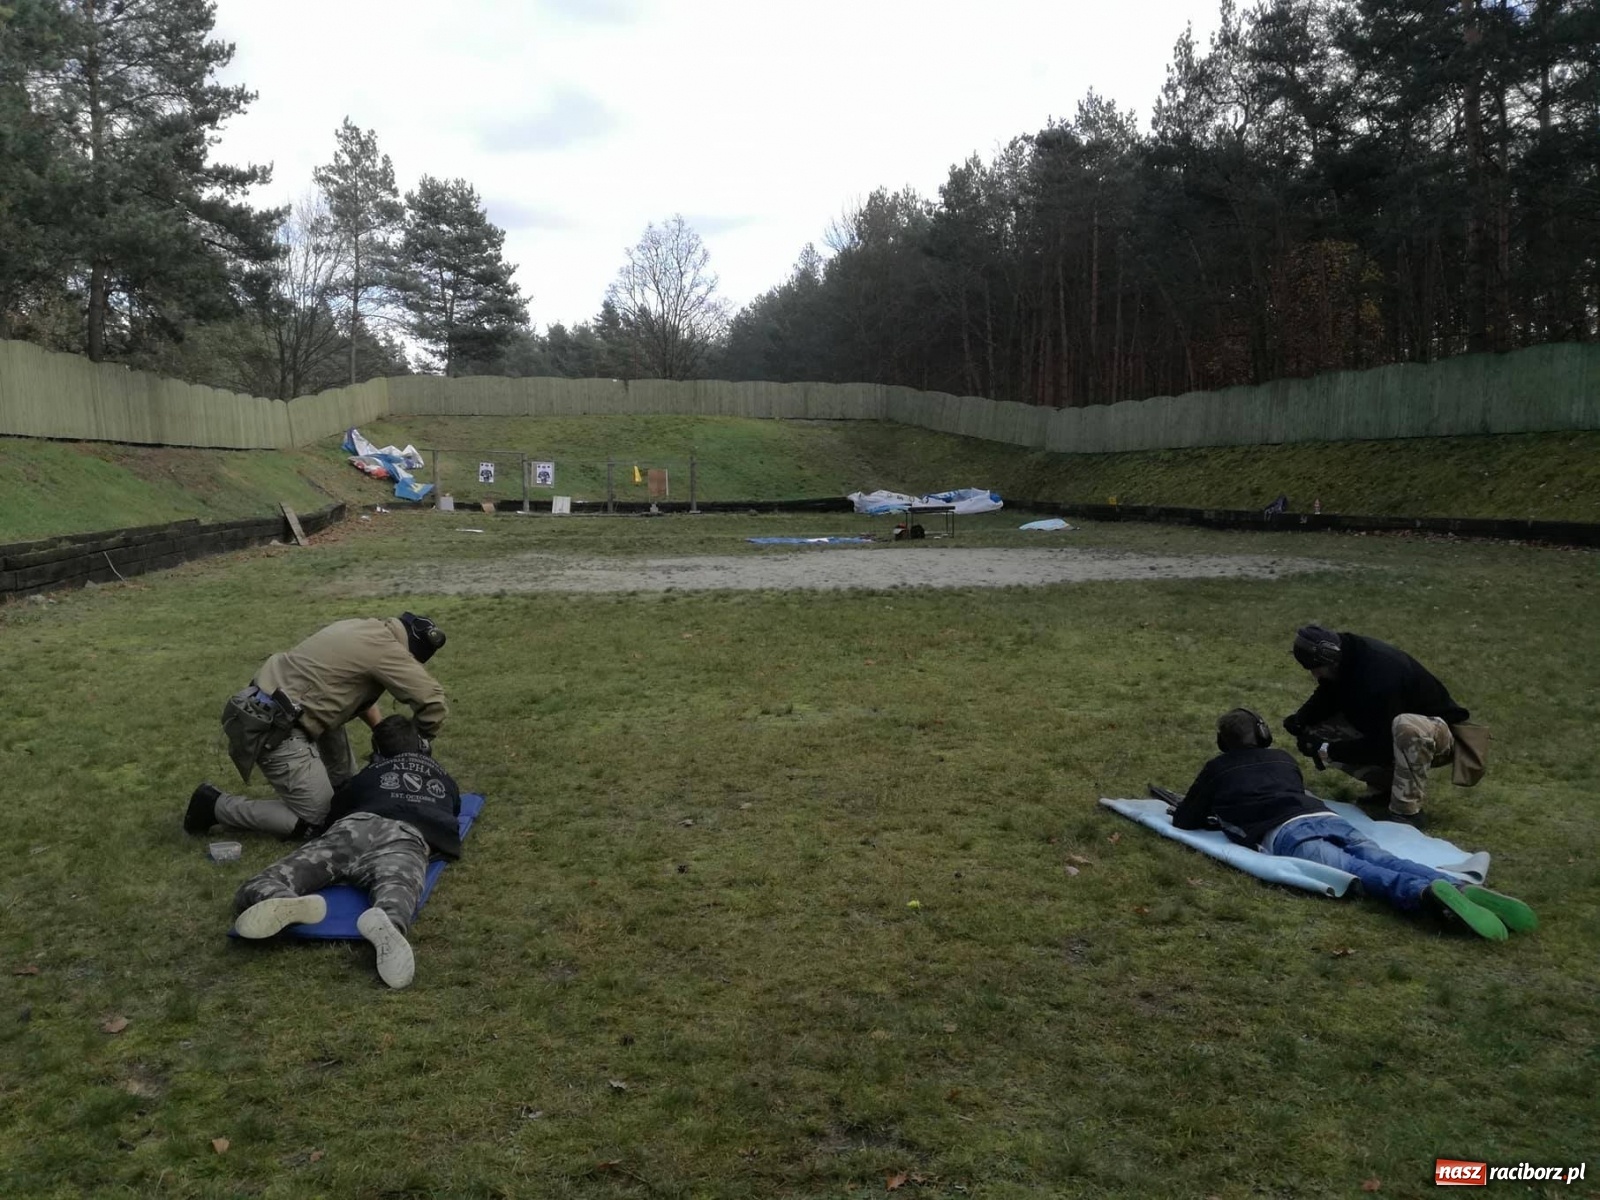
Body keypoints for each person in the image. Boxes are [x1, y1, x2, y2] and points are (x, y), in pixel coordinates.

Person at [1171, 708, 1534, 941]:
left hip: (1285, 833)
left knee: (1360, 872)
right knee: (1385, 859)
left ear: (1223, 744)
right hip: (1326, 817)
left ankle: (1424, 895)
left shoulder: (1217, 769)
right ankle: (1458, 886)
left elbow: (1186, 819)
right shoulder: (1282, 758)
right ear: (1264, 735)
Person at [230, 715, 463, 988]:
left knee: (261, 883)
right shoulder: (445, 780)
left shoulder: (369, 774)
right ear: (423, 747)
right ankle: (387, 922)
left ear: (377, 751)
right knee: (398, 890)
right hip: (404, 837)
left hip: (354, 828)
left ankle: (282, 897)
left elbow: (336, 807)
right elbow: (452, 813)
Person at [185, 613, 449, 838]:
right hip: (278, 728)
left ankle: (338, 788)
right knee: (319, 822)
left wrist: (381, 732)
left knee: (347, 794)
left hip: (286, 708)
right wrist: (419, 744)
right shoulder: (388, 650)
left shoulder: (365, 629)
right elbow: (432, 701)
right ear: (412, 654)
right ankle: (215, 806)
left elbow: (354, 691)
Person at [1282, 625, 1470, 821]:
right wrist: (1301, 720)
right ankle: (1387, 788)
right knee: (1316, 727)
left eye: (1316, 669)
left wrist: (1328, 750)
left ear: (1330, 658)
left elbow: (1383, 745)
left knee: (1405, 727)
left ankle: (1407, 813)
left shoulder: (1378, 676)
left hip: (1438, 735)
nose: (1315, 675)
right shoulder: (1346, 657)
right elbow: (1330, 692)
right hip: (1391, 731)